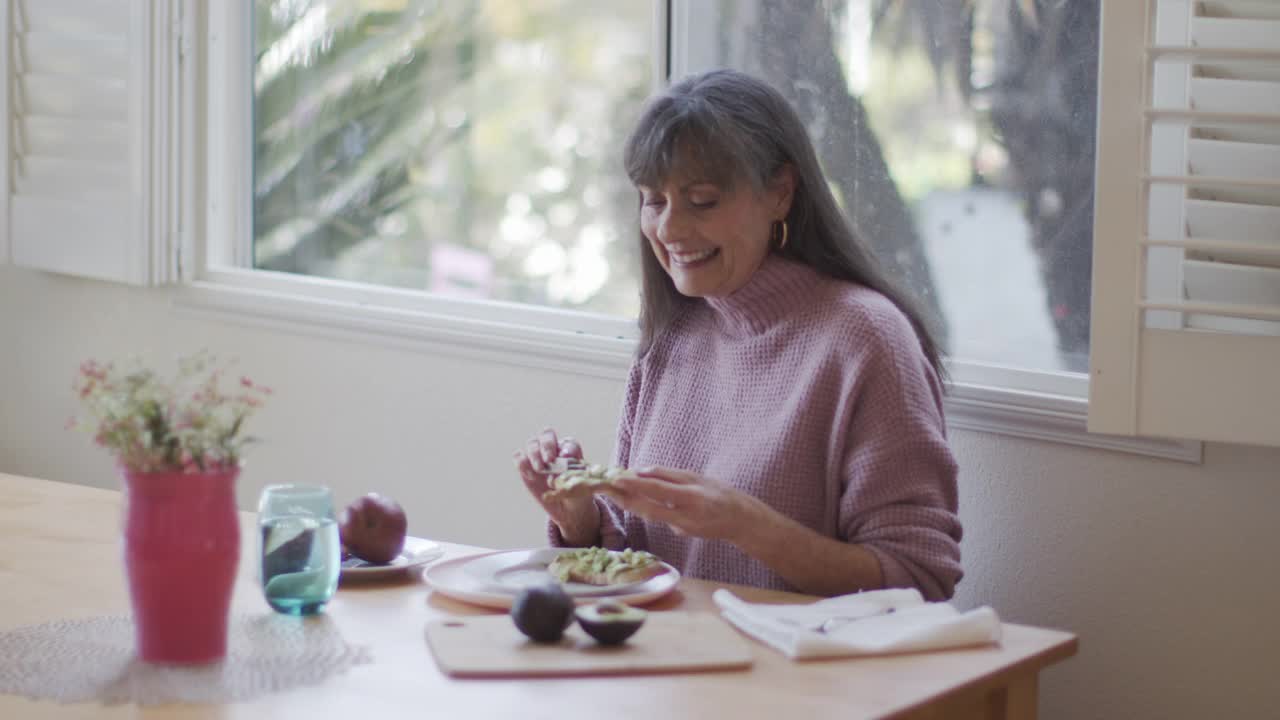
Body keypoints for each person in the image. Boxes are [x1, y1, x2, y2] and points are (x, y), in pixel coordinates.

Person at [514, 69, 961, 601]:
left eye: (702, 200)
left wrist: (746, 525)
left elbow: (920, 578)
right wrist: (582, 520)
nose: (671, 229)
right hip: (672, 669)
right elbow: (645, 569)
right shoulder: (673, 337)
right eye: (653, 201)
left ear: (780, 193)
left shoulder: (866, 338)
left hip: (802, 678)